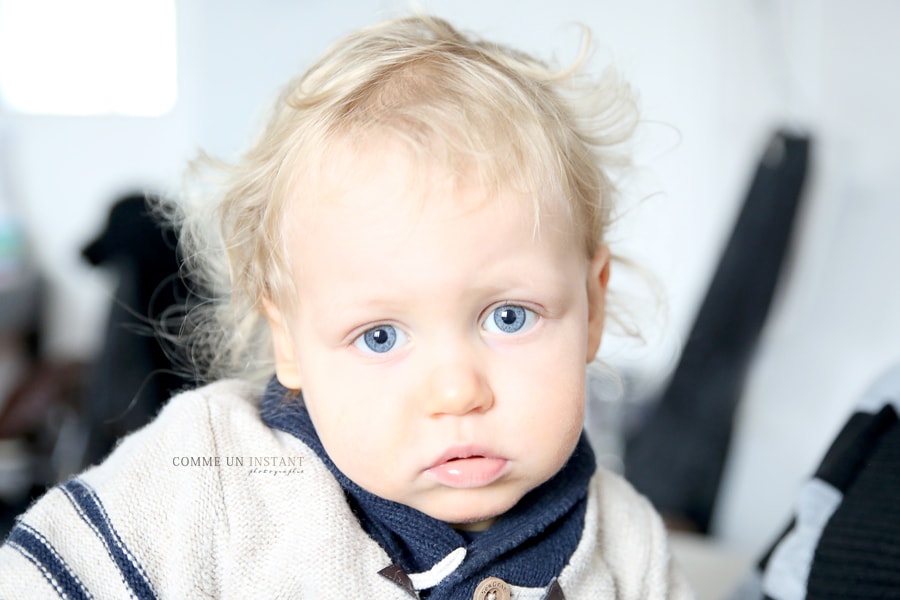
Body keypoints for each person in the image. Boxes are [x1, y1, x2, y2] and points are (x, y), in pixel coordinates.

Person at [0, 15, 692, 599]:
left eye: (508, 317)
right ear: (291, 341)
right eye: (382, 336)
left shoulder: (628, 547)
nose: (457, 390)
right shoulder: (210, 475)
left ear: (592, 306)